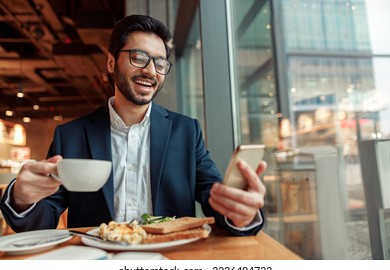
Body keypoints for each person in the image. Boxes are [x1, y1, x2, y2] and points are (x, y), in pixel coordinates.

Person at [0, 15, 267, 236]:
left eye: (160, 63)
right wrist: (22, 198)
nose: (151, 71)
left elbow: (215, 196)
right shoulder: (70, 135)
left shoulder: (186, 131)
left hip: (171, 263)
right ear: (111, 62)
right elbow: (44, 219)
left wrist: (240, 212)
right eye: (139, 57)